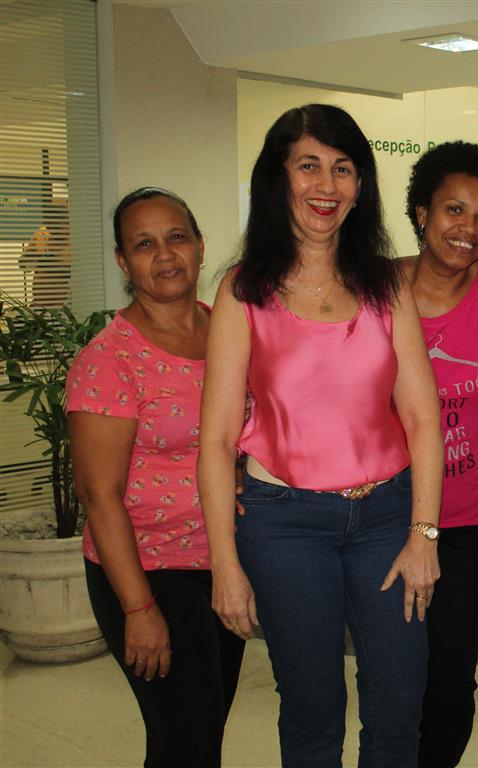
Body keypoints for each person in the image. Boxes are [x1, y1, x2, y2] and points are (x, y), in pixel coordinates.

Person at [198, 104, 443, 767]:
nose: (326, 186)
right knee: (311, 710)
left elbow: (423, 418)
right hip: (284, 526)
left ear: (360, 186)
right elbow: (217, 441)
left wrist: (424, 535)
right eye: (308, 166)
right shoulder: (243, 292)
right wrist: (225, 565)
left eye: (343, 169)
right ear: (279, 178)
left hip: (388, 519)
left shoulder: (386, 289)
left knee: (400, 702)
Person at [68, 187, 244, 767]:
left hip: (219, 561)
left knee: (192, 737)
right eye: (144, 245)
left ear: (200, 246)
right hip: (147, 567)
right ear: (123, 262)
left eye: (176, 238)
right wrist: (139, 610)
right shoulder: (109, 359)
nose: (165, 255)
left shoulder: (228, 330)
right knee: (191, 741)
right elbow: (99, 496)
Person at [400, 141, 478, 768]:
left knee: (449, 684)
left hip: (469, 528)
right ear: (421, 212)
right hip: (382, 522)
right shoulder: (373, 286)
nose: (468, 228)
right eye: (453, 209)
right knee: (392, 681)